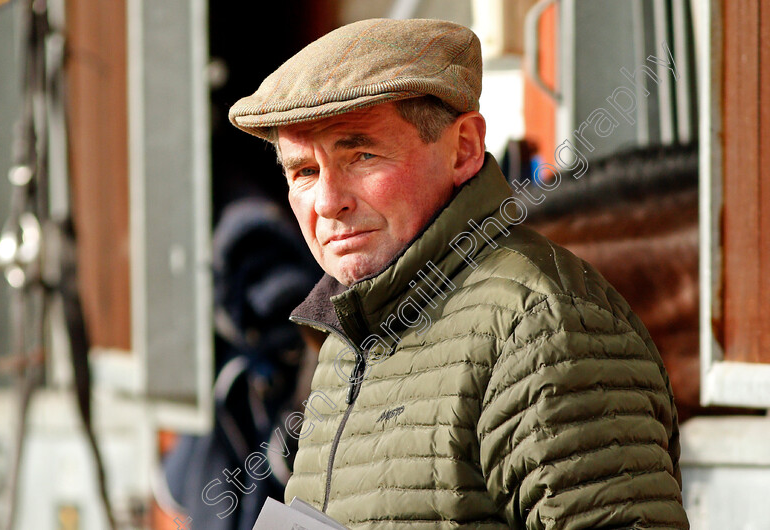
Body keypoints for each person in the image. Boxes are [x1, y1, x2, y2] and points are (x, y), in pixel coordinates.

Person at [228, 18, 689, 529]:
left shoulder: (541, 326)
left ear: (465, 148)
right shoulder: (347, 337)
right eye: (304, 172)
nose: (328, 203)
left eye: (361, 155)